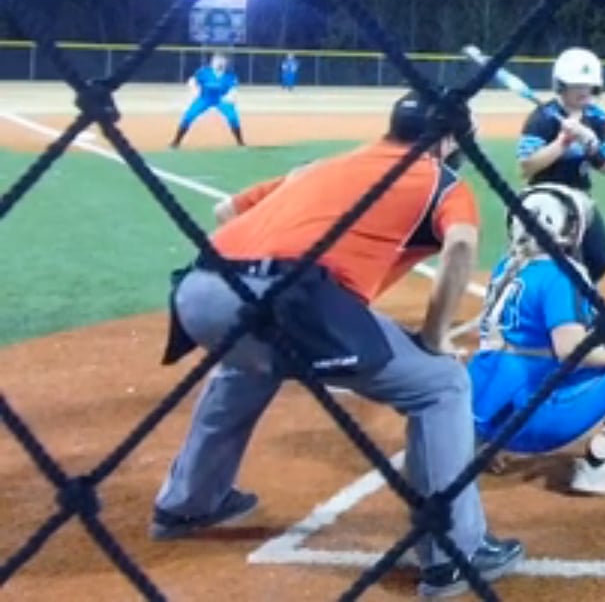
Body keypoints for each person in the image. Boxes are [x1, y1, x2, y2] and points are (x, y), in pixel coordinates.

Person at [150, 91, 523, 598]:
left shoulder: (326, 165)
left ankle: (187, 503)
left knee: (248, 366)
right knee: (442, 385)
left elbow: (225, 210)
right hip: (291, 301)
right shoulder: (441, 181)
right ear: (450, 140)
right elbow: (460, 244)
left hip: (199, 292)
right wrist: (435, 337)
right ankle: (454, 553)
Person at [469, 183, 605, 495]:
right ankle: (600, 468)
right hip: (528, 421)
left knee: (514, 353)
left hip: (480, 414)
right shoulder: (560, 275)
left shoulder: (507, 266)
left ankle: (477, 447)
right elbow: (572, 352)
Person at [516, 48, 605, 284]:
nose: (584, 91)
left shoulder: (598, 118)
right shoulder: (541, 117)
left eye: (588, 85)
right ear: (561, 85)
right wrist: (563, 142)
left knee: (599, 260)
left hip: (580, 198)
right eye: (577, 85)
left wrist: (591, 145)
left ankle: (581, 299)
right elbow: (526, 167)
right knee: (546, 262)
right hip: (543, 198)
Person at [169, 52, 245, 149]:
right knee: (188, 116)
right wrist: (194, 91)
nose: (219, 63)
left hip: (221, 99)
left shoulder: (230, 75)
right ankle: (176, 142)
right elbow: (192, 81)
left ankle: (240, 142)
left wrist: (231, 97)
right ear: (212, 62)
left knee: (233, 118)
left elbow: (233, 88)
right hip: (204, 98)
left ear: (226, 63)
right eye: (217, 60)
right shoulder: (204, 72)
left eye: (222, 61)